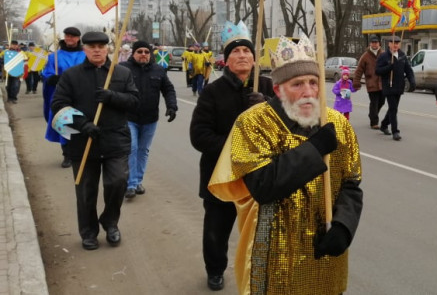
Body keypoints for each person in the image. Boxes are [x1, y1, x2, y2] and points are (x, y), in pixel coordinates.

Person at [208, 35, 363, 294]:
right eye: (298, 84)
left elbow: (351, 182)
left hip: (322, 252)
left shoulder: (337, 123)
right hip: (276, 252)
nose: (309, 92)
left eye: (313, 82)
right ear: (278, 89)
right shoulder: (252, 123)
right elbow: (263, 185)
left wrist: (344, 226)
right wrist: (314, 150)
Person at [190, 22, 274, 291]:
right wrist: (237, 147)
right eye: (235, 51)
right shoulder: (212, 92)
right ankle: (215, 269)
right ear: (226, 60)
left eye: (246, 51)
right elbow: (199, 136)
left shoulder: (268, 86)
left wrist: (268, 106)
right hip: (222, 174)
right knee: (217, 227)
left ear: (254, 57)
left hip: (262, 175)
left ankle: (263, 270)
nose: (242, 56)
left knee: (263, 230)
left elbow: (289, 126)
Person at [51, 31, 139, 250]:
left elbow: (134, 101)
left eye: (101, 46)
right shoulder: (72, 75)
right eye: (92, 47)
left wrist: (112, 97)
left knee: (117, 182)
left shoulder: (121, 73)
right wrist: (82, 124)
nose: (97, 50)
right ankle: (88, 231)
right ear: (85, 50)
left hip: (115, 140)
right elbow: (58, 104)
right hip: (83, 143)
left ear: (108, 48)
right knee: (86, 191)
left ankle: (110, 222)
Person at [119, 41, 178, 199]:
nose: (143, 54)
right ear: (133, 53)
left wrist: (172, 106)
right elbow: (115, 90)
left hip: (150, 118)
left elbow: (168, 89)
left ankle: (138, 181)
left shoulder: (158, 70)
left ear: (150, 54)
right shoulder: (124, 69)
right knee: (132, 148)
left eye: (146, 51)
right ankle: (130, 185)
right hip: (129, 117)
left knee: (143, 150)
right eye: (140, 51)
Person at [42, 27, 87, 168]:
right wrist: (52, 79)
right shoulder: (54, 56)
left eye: (73, 36)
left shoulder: (85, 55)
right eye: (67, 36)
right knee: (63, 122)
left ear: (78, 38)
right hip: (62, 95)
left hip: (81, 95)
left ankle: (80, 153)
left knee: (81, 122)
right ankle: (67, 154)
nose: (69, 39)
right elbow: (46, 74)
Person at [375, 35, 416, 141]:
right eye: (393, 43)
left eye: (397, 43)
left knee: (393, 108)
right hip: (388, 86)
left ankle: (384, 124)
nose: (395, 45)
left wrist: (412, 81)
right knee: (393, 108)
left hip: (399, 85)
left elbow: (408, 70)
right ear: (389, 44)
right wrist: (389, 67)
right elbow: (377, 71)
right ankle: (395, 132)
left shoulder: (402, 55)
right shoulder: (384, 56)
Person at [353, 35, 385, 129]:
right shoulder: (365, 56)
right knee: (374, 102)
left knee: (382, 102)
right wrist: (356, 82)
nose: (374, 44)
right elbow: (359, 70)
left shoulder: (383, 54)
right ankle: (374, 122)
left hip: (382, 83)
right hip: (371, 83)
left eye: (376, 42)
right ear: (370, 44)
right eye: (373, 42)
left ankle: (372, 115)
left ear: (379, 43)